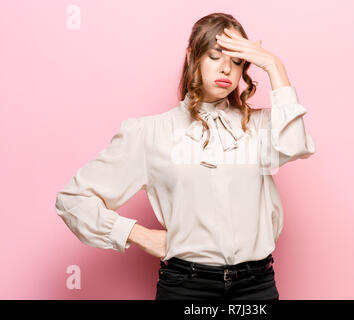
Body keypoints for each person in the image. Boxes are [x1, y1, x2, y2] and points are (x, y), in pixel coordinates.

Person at [55, 12, 316, 300]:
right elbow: (72, 200)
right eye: (216, 56)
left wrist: (274, 65)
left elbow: (295, 146)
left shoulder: (258, 125)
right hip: (186, 288)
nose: (227, 69)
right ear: (193, 56)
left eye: (238, 60)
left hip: (256, 287)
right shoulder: (149, 132)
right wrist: (138, 234)